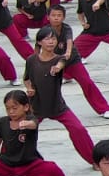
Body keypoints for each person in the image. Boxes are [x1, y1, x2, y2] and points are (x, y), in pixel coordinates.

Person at [20, 29, 99, 166]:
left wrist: (57, 67)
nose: (51, 42)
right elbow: (26, 78)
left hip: (57, 105)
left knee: (78, 129)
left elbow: (61, 63)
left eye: (53, 39)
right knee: (21, 132)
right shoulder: (31, 60)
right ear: (39, 42)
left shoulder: (59, 59)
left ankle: (94, 161)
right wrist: (29, 88)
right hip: (36, 106)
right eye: (47, 39)